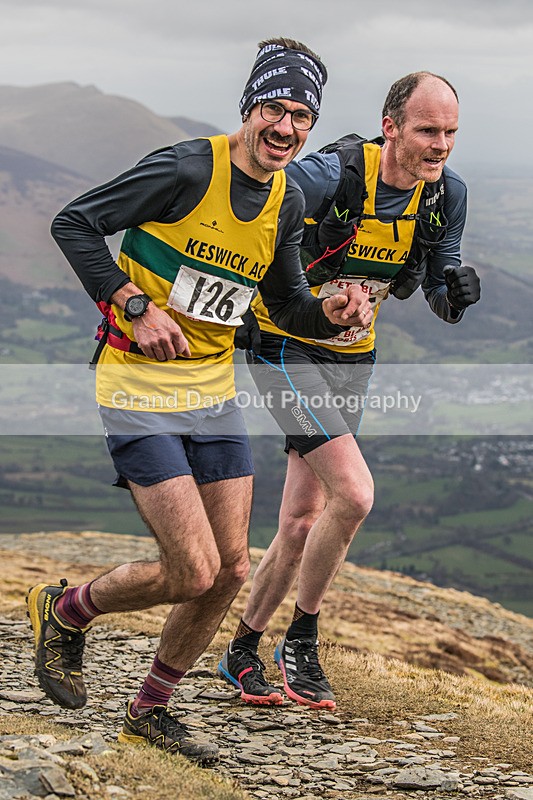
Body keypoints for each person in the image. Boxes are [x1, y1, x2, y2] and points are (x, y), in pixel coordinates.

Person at [27, 38, 373, 763]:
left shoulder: (287, 198)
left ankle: (149, 709)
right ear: (249, 108)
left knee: (232, 570)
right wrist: (130, 303)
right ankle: (64, 611)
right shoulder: (187, 167)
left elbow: (283, 303)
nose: (285, 127)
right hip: (136, 386)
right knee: (189, 570)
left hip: (211, 390)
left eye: (300, 115)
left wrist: (331, 315)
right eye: (274, 109)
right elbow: (74, 222)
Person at [218, 71, 481, 710]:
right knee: (356, 494)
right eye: (427, 130)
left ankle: (241, 650)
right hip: (284, 346)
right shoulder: (331, 175)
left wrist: (456, 293)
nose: (441, 144)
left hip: (353, 359)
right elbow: (261, 222)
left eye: (450, 131)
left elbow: (440, 280)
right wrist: (305, 298)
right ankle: (302, 640)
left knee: (305, 519)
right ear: (391, 127)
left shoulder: (446, 194)